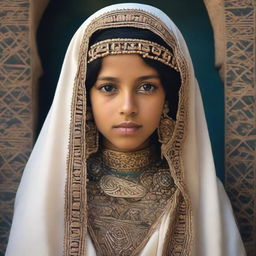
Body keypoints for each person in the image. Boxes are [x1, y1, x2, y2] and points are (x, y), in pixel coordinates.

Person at [5, 3, 246, 256]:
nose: (128, 107)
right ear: (84, 97)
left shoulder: (204, 198)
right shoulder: (47, 194)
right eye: (108, 88)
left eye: (147, 87)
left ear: (169, 97)